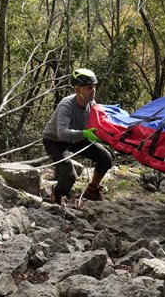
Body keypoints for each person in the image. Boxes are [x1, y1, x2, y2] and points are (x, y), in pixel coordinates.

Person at [42, 68, 113, 204]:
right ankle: (56, 193)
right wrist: (84, 134)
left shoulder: (92, 104)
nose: (93, 91)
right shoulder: (66, 105)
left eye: (94, 87)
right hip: (54, 141)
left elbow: (100, 122)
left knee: (106, 158)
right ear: (78, 90)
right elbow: (61, 133)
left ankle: (92, 190)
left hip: (76, 138)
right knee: (69, 176)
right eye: (89, 88)